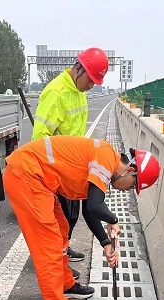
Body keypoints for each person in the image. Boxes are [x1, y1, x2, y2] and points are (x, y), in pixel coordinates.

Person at [3, 135, 161, 300]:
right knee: (49, 244)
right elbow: (95, 206)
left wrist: (105, 242)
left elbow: (88, 210)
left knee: (62, 230)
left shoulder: (105, 161)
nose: (127, 190)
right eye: (131, 186)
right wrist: (113, 220)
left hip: (39, 180)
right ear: (129, 171)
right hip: (26, 176)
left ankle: (65, 284)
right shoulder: (105, 159)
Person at [31, 47, 109, 279]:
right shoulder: (56, 93)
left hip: (73, 168)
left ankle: (63, 252)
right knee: (60, 220)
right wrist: (48, 177)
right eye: (91, 79)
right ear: (79, 69)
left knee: (71, 216)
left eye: (95, 81)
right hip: (57, 169)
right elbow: (40, 138)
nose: (92, 85)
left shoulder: (78, 91)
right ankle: (56, 263)